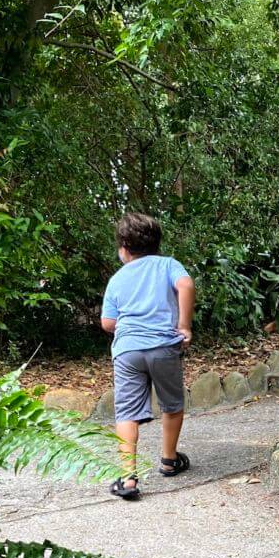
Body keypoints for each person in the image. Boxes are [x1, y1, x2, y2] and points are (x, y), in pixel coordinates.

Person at [100, 212, 195, 499]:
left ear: (123, 249)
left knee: (126, 412)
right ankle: (168, 460)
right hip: (164, 346)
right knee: (172, 404)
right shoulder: (168, 264)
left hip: (127, 351)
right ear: (157, 243)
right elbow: (186, 285)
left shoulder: (117, 279)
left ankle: (128, 478)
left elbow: (107, 323)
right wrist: (184, 326)